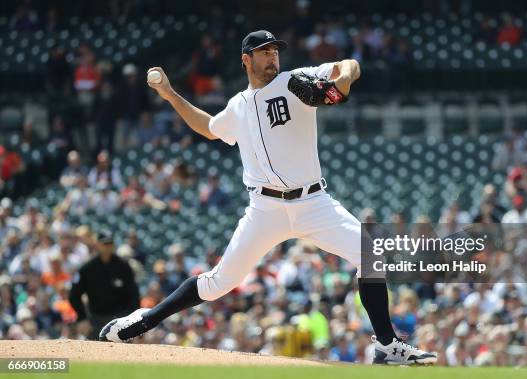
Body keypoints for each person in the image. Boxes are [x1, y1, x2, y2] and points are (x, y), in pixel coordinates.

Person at [99, 30, 437, 365]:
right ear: (246, 59)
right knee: (219, 282)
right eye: (264, 51)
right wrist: (171, 94)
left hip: (313, 202)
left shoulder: (294, 80)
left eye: (275, 50)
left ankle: (387, 345)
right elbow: (209, 128)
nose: (272, 55)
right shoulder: (238, 105)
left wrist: (341, 79)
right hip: (265, 209)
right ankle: (144, 320)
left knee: (370, 255)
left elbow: (349, 67)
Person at [69, 230, 140, 340]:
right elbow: (74, 294)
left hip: (120, 320)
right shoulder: (88, 268)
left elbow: (134, 293)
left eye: (110, 243)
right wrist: (82, 318)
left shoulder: (123, 266)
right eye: (104, 243)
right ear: (97, 244)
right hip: (96, 320)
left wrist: (133, 320)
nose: (107, 247)